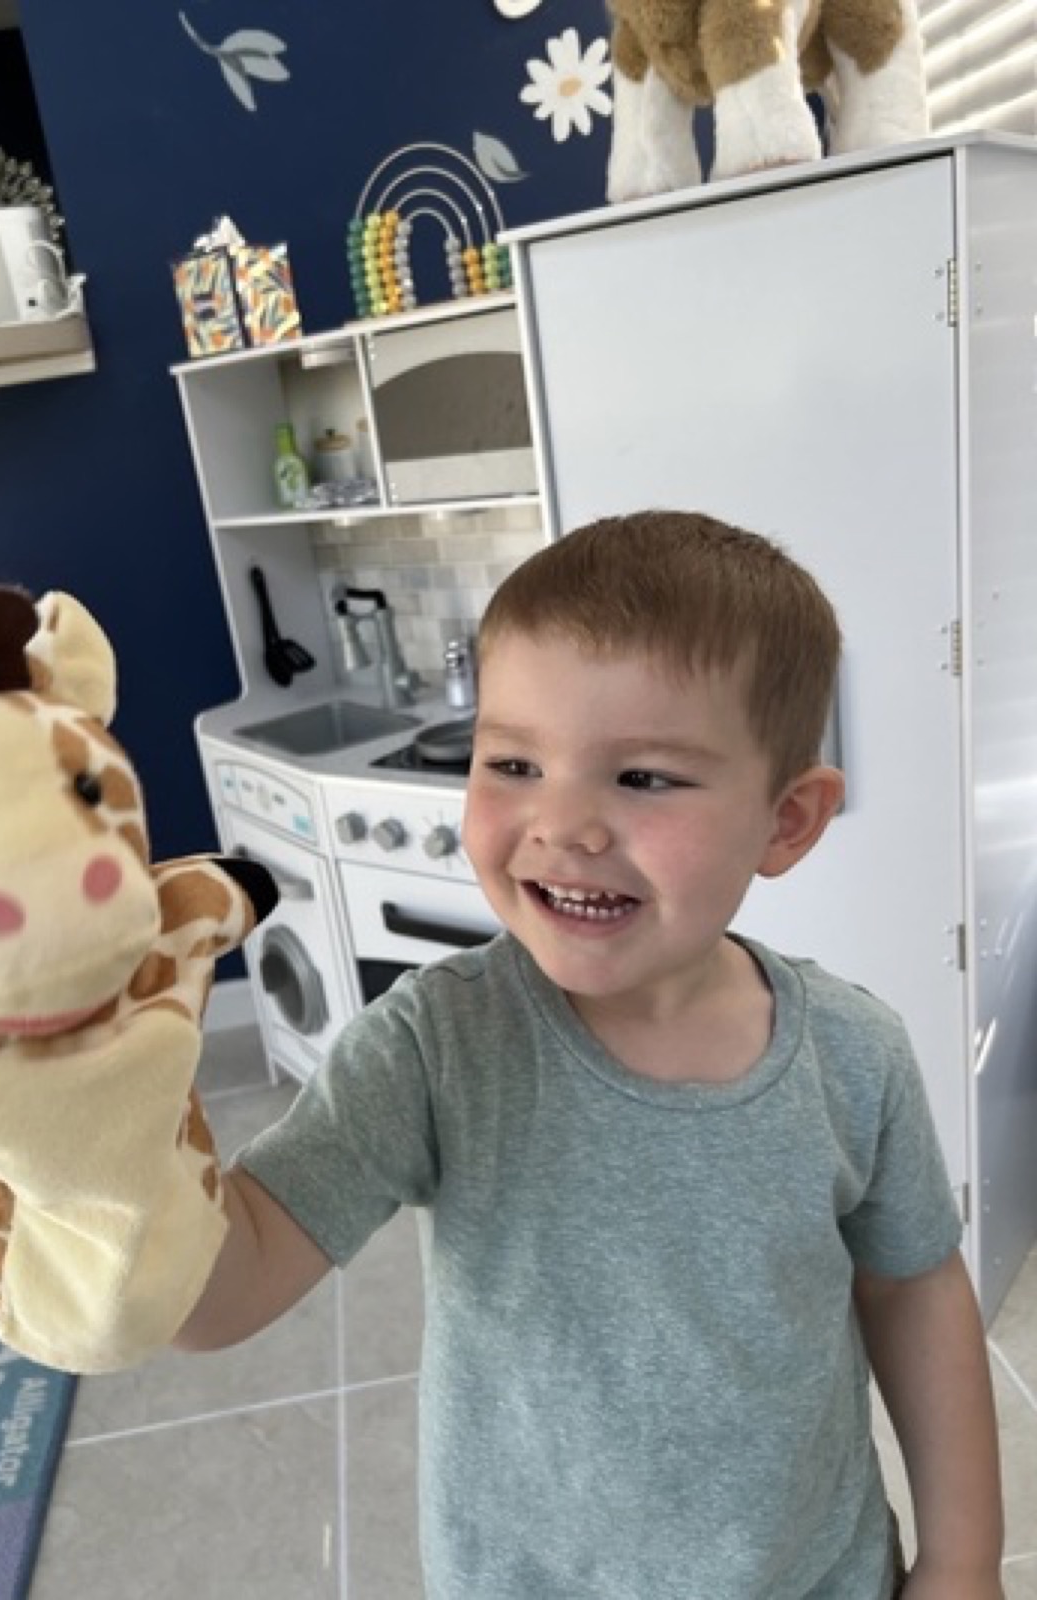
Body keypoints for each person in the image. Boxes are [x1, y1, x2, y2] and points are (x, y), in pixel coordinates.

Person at [175, 510, 1004, 1599]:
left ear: (788, 821)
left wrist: (962, 1560)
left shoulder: (855, 1055)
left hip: (818, 1574)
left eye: (645, 777)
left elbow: (915, 1290)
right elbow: (211, 1299)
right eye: (513, 761)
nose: (562, 823)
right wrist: (92, 1127)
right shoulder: (435, 1049)